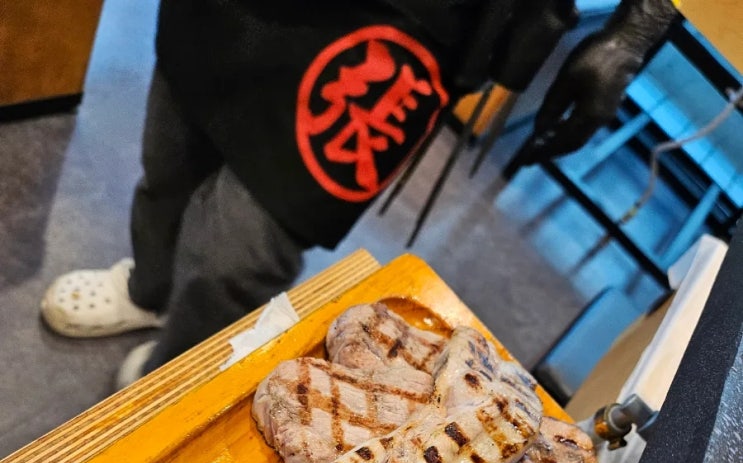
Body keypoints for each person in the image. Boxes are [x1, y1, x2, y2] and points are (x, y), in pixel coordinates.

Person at [40, 0, 677, 390]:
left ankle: (172, 375)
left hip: (413, 20)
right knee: (170, 157)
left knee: (239, 253)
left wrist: (636, 27)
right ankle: (148, 289)